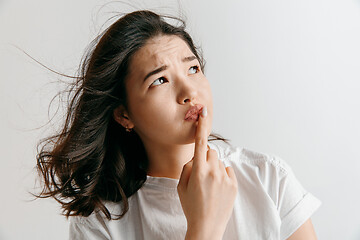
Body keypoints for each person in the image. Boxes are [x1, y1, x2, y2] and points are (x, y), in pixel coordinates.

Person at [35, 10, 322, 240]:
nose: (189, 92)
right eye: (160, 80)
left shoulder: (269, 179)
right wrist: (203, 229)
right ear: (124, 115)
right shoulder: (101, 224)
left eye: (193, 68)